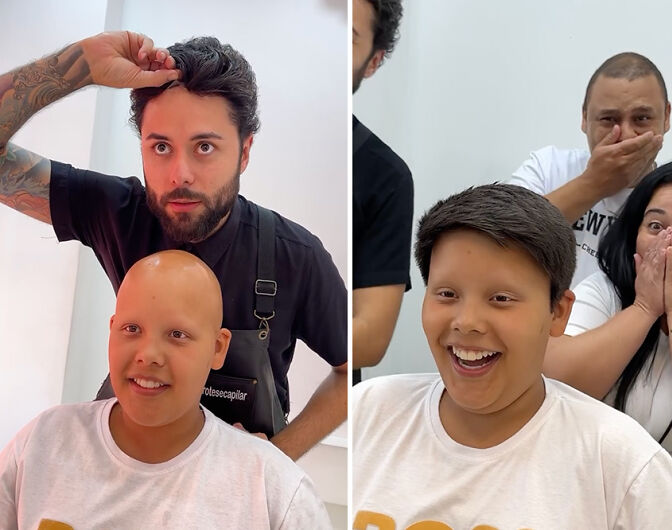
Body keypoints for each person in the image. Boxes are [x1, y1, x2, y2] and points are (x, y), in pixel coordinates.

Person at [0, 31, 347, 460]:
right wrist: (77, 66)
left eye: (204, 147)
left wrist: (277, 459)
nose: (179, 174)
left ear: (244, 152)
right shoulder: (119, 213)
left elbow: (350, 370)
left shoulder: (296, 256)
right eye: (160, 147)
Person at [352, 184, 672, 528]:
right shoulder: (367, 411)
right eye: (446, 293)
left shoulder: (623, 465)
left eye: (501, 298)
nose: (467, 322)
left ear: (558, 313)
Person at [0, 250, 332, 528]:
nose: (148, 355)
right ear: (112, 330)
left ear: (218, 348)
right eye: (132, 329)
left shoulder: (274, 490)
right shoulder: (42, 443)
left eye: (177, 335)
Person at [544, 160, 672, 516]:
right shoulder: (606, 288)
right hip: (598, 504)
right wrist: (644, 308)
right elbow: (555, 386)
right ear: (633, 236)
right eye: (656, 225)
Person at [509, 52, 669, 288]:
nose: (624, 134)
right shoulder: (549, 167)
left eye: (642, 118)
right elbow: (499, 241)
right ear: (585, 118)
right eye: (608, 119)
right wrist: (593, 184)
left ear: (666, 117)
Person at [353, 0, 414, 382]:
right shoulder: (227, 134)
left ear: (373, 62)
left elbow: (372, 338)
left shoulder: (386, 177)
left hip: (328, 417)